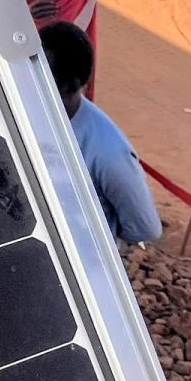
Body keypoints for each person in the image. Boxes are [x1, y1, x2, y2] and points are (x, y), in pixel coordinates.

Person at [40, 21, 160, 246]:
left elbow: (145, 227)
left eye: (44, 77)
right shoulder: (19, 112)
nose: (31, 81)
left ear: (70, 86)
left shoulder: (108, 151)